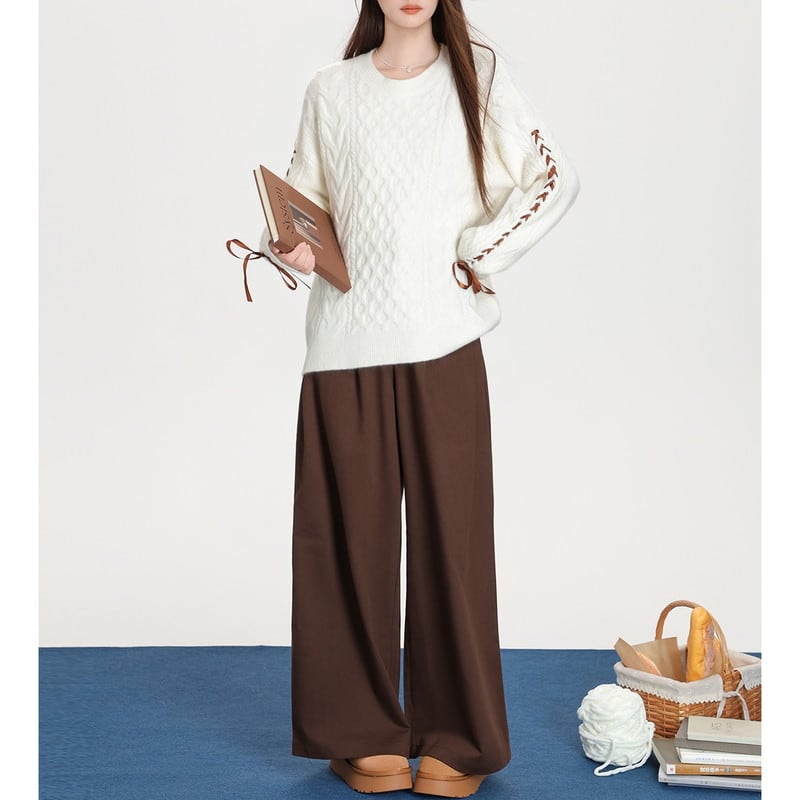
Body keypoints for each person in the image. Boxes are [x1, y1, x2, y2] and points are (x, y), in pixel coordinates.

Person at [262, 1, 580, 796]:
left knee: (453, 548)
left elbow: (553, 178)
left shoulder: (480, 78)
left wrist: (480, 253)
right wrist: (287, 244)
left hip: (444, 343)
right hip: (343, 345)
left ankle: (457, 737)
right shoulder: (331, 90)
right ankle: (357, 731)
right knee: (346, 550)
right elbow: (302, 204)